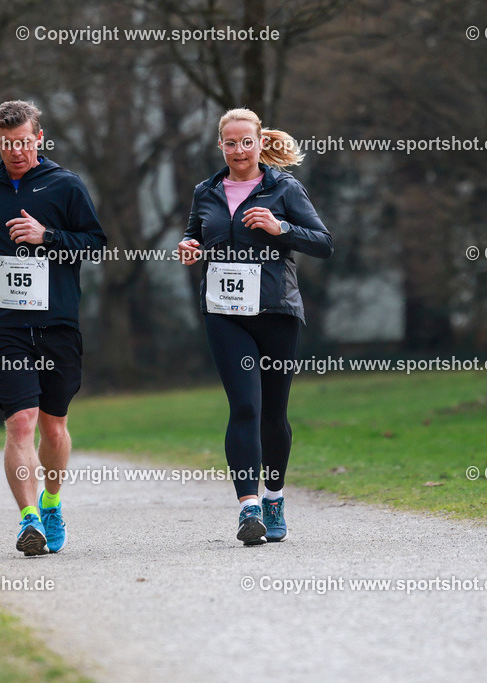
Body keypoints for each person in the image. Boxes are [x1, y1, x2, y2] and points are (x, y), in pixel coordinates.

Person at [177, 108, 333, 545]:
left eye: (247, 141)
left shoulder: (284, 188)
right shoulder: (205, 191)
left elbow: (323, 242)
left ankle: (275, 497)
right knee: (244, 406)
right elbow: (195, 235)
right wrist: (190, 248)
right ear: (220, 145)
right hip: (224, 313)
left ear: (261, 142)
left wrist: (279, 226)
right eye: (231, 142)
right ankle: (249, 507)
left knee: (273, 414)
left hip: (276, 314)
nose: (240, 150)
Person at [0, 100, 105, 556]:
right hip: (6, 325)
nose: (17, 152)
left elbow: (96, 244)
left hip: (57, 322)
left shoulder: (65, 186)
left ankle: (52, 502)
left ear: (38, 138)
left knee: (53, 426)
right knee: (20, 423)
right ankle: (28, 521)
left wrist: (49, 237)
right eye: (7, 145)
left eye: (24, 142)